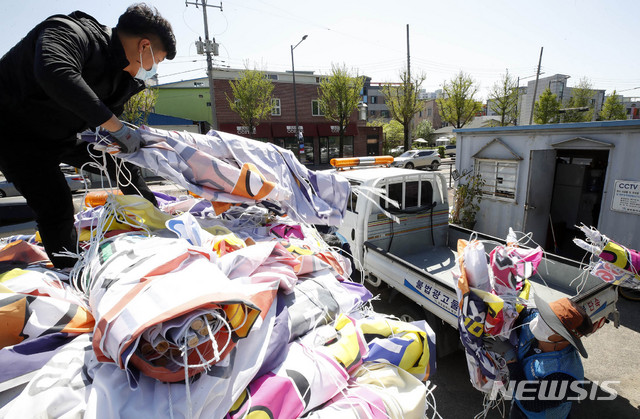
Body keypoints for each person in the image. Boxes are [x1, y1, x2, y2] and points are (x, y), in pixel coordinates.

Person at [0, 4, 176, 268]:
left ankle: (154, 218)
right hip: (14, 132)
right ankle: (71, 269)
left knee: (120, 163)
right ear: (144, 46)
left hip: (60, 135)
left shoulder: (124, 80)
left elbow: (102, 128)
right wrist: (117, 127)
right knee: (56, 203)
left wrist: (121, 142)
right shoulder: (69, 32)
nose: (153, 70)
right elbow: (56, 73)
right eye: (157, 61)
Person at [509, 294, 594, 418]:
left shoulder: (566, 377)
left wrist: (510, 361)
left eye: (550, 324)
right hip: (517, 404)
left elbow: (531, 402)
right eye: (544, 315)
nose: (540, 320)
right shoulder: (535, 319)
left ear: (565, 339)